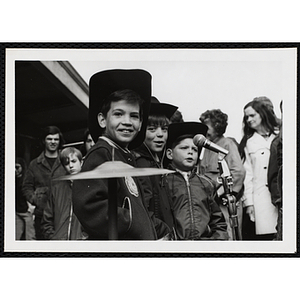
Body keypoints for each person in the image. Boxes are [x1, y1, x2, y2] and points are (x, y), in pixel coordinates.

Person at [72, 69, 171, 240]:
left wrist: (160, 230)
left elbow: (137, 207)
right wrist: (132, 222)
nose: (127, 121)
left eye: (134, 116)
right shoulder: (102, 152)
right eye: (118, 114)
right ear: (102, 119)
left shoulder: (125, 155)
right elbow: (90, 206)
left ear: (141, 123)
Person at [163, 122, 228, 240]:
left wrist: (218, 241)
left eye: (194, 149)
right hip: (175, 247)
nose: (190, 152)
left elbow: (218, 221)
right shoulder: (163, 181)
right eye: (184, 148)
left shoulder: (206, 183)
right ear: (170, 154)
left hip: (204, 246)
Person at [199, 109, 245, 240]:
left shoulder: (227, 144)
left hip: (225, 201)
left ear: (217, 127)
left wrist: (220, 193)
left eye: (207, 127)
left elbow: (238, 171)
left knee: (230, 235)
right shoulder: (207, 147)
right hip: (211, 202)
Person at [133, 96, 178, 232]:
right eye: (152, 129)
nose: (160, 135)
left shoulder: (157, 162)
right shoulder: (140, 164)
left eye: (164, 129)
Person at [239, 98, 279, 240]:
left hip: (280, 196)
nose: (249, 120)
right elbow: (247, 176)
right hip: (260, 199)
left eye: (252, 115)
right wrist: (249, 203)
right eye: (246, 117)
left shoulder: (279, 137)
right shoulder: (248, 143)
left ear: (262, 114)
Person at [22, 126, 66, 240]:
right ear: (43, 140)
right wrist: (35, 199)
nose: (53, 142)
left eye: (56, 139)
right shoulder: (34, 164)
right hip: (41, 214)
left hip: (62, 213)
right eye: (49, 139)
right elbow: (26, 187)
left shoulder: (66, 160)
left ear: (60, 141)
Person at [41, 147, 87, 240]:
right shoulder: (57, 188)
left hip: (81, 242)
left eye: (74, 161)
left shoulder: (89, 187)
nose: (70, 165)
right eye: (66, 163)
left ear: (81, 162)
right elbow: (47, 220)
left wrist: (85, 237)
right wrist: (53, 238)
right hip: (59, 242)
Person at [15, 157, 36, 240]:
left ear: (22, 167)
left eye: (17, 167)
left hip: (27, 212)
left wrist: (31, 207)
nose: (15, 170)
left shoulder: (26, 179)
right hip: (17, 212)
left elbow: (30, 193)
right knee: (16, 236)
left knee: (30, 237)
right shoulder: (11, 179)